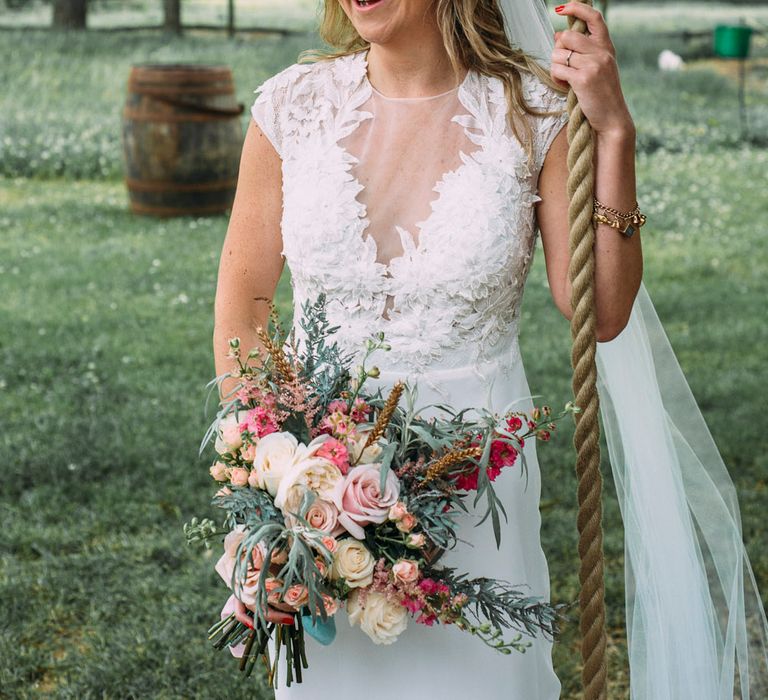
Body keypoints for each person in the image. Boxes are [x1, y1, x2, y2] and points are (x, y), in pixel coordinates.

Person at [212, 1, 768, 698]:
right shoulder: (291, 108)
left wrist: (615, 133)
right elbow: (244, 303)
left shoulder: (534, 111)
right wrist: (261, 459)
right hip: (313, 495)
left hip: (477, 486)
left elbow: (602, 310)